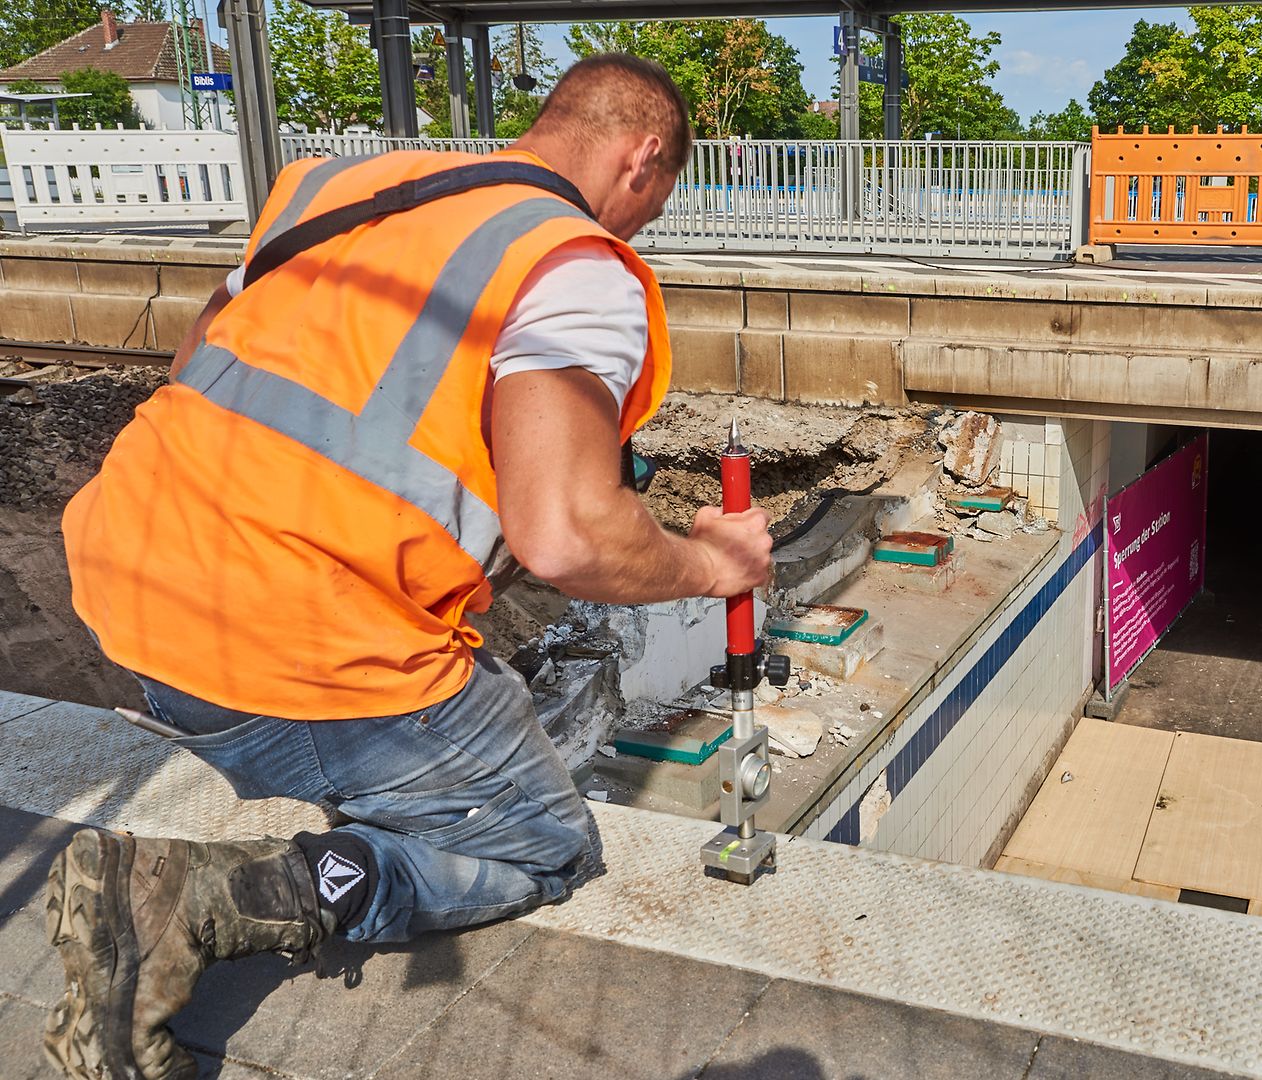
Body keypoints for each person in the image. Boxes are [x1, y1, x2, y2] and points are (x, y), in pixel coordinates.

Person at [44, 54, 772, 1080]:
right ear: (642, 156)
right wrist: (712, 565)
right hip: (291, 652)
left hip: (127, 590)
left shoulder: (336, 188)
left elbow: (212, 372)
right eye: (656, 199)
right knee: (545, 845)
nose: (642, 225)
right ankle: (193, 903)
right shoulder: (571, 262)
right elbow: (566, 537)